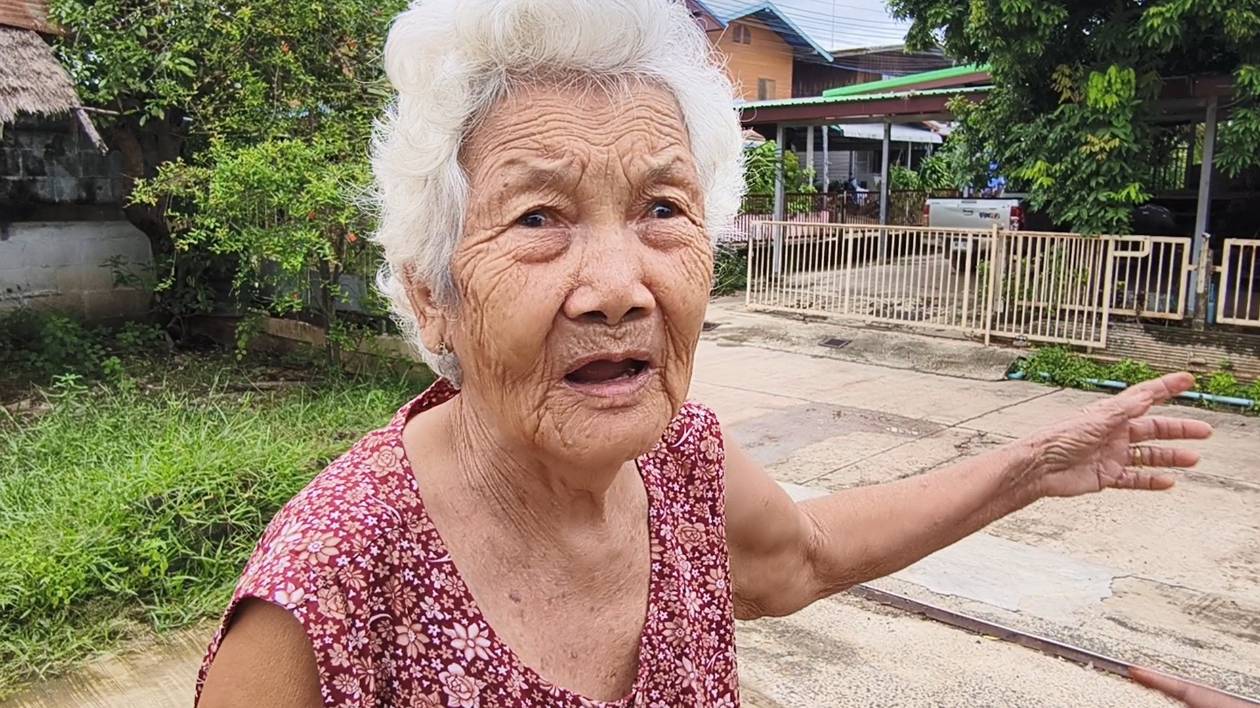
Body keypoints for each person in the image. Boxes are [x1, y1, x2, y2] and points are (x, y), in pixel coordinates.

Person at [196, 1, 1216, 705]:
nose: (619, 286)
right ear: (433, 296)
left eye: (662, 209)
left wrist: (1034, 466)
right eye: (540, 216)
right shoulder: (326, 594)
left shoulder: (678, 459)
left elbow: (804, 554)